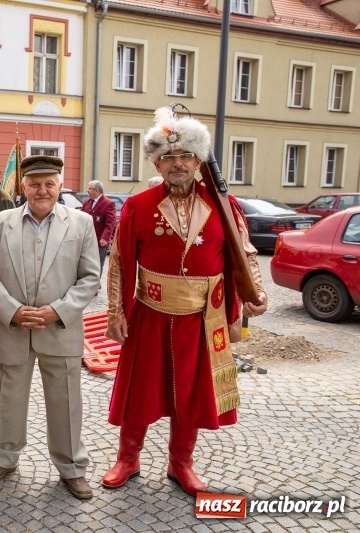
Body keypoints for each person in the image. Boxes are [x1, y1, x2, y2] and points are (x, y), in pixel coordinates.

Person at [102, 105, 268, 496]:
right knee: (140, 392)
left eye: (186, 156)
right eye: (168, 157)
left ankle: (181, 464)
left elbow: (244, 253)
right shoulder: (139, 207)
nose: (177, 163)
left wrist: (254, 293)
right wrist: (115, 311)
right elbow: (120, 264)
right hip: (151, 314)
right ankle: (128, 458)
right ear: (157, 164)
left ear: (198, 160)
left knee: (192, 394)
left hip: (203, 318)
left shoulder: (225, 205)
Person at [0, 155, 100, 500]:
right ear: (23, 186)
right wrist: (11, 311)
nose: (42, 189)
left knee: (66, 401)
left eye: (49, 183)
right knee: (8, 397)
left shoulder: (81, 223)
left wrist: (57, 311)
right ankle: (4, 457)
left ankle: (72, 467)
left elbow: (90, 278)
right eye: (34, 183)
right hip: (12, 328)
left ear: (60, 185)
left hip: (59, 328)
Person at [81, 180, 116, 268]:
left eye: (89, 189)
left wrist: (105, 237)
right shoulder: (86, 202)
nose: (87, 191)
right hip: (86, 240)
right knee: (85, 265)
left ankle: (96, 281)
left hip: (99, 240)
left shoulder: (108, 203)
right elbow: (80, 218)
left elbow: (111, 222)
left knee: (97, 265)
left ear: (96, 190)